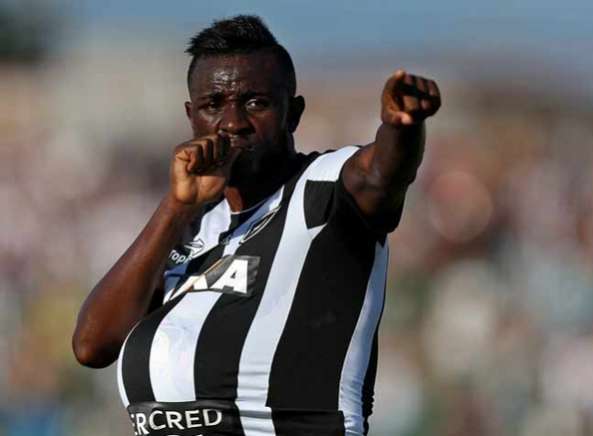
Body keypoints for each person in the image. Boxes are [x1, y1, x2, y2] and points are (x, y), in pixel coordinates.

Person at [71, 15, 440, 436]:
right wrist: (175, 208)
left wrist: (402, 127)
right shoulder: (188, 228)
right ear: (192, 116)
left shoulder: (324, 188)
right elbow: (92, 345)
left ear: (293, 113)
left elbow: (381, 174)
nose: (233, 123)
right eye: (214, 105)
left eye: (255, 103)